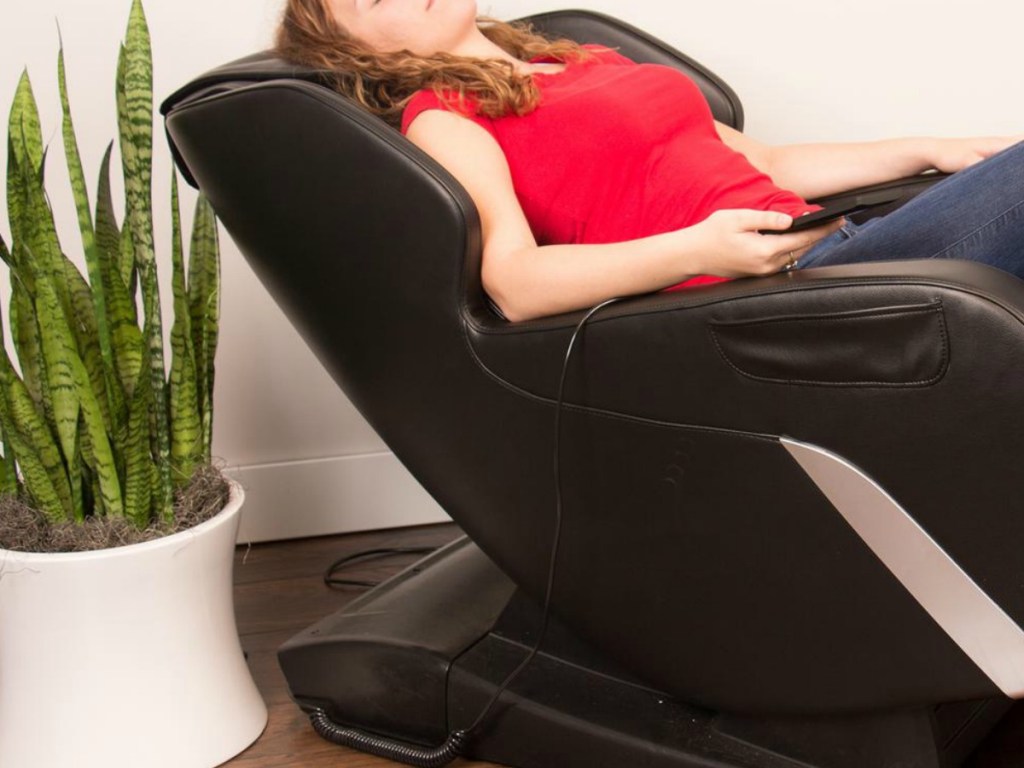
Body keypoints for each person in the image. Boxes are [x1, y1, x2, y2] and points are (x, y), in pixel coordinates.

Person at [276, 0, 1024, 321]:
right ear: (359, 49)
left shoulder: (580, 58)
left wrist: (932, 147)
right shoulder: (445, 116)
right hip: (776, 296)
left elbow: (768, 162)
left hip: (836, 243)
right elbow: (514, 284)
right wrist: (698, 249)